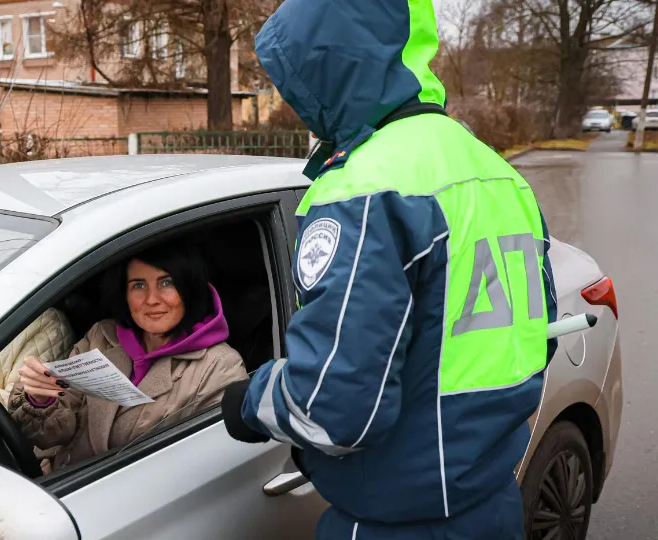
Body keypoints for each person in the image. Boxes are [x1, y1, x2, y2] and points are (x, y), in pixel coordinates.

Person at [219, 1, 557, 539]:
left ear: (323, 66)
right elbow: (538, 337)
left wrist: (251, 400)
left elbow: (335, 408)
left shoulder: (366, 187)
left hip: (396, 522)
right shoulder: (495, 171)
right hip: (492, 503)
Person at [10, 243, 247, 472]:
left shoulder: (220, 367)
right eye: (139, 285)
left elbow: (212, 467)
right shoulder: (101, 337)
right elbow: (52, 434)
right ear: (124, 293)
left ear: (189, 289)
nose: (152, 299)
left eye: (166, 282)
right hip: (58, 486)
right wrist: (41, 399)